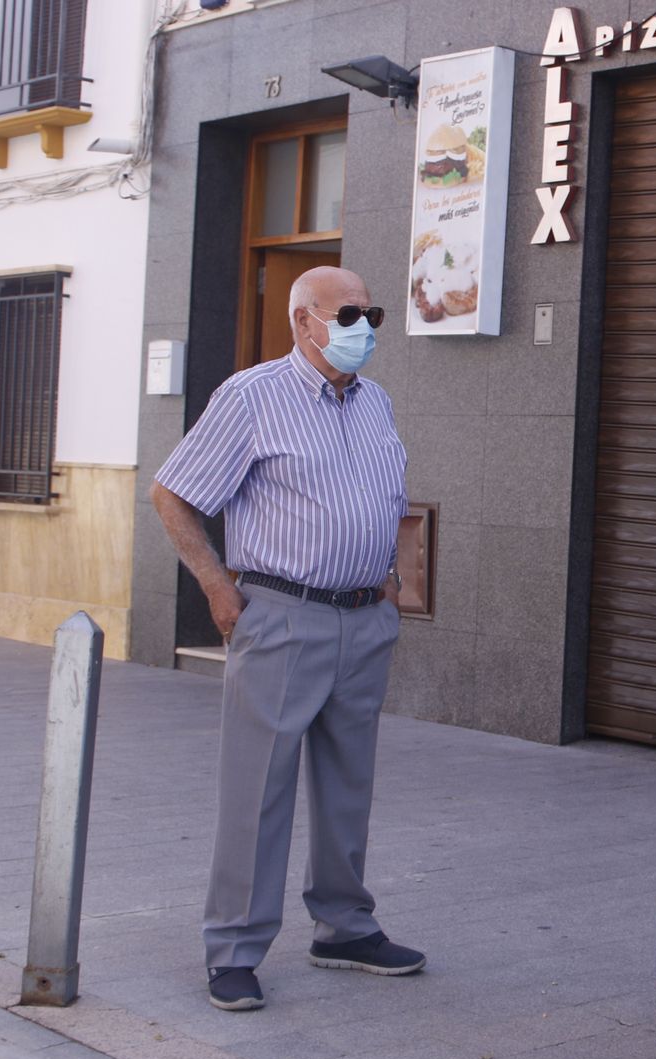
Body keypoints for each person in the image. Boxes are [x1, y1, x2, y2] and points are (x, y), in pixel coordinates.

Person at [151, 265, 424, 1012]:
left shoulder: (376, 402)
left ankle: (344, 927)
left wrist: (393, 588)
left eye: (370, 314)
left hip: (363, 620)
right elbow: (172, 492)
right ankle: (234, 949)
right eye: (346, 315)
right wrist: (214, 583)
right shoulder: (251, 396)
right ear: (302, 321)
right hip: (282, 614)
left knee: (348, 785)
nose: (362, 327)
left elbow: (390, 502)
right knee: (258, 789)